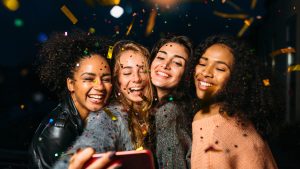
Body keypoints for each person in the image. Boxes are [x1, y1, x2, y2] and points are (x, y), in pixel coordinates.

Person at [53, 40, 153, 169]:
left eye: (143, 71)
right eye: (127, 72)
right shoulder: (109, 116)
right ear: (116, 81)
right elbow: (95, 139)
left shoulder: (157, 113)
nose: (137, 78)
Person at [191, 35, 278, 169]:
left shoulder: (207, 122)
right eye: (202, 63)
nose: (206, 72)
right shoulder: (240, 115)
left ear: (236, 78)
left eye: (220, 68)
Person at [29, 30, 113, 169]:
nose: (100, 87)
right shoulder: (59, 132)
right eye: (88, 79)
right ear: (71, 84)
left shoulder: (94, 119)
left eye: (106, 79)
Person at [149, 35, 193, 169]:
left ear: (186, 73)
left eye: (177, 62)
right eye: (161, 57)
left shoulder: (169, 111)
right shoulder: (157, 106)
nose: (165, 65)